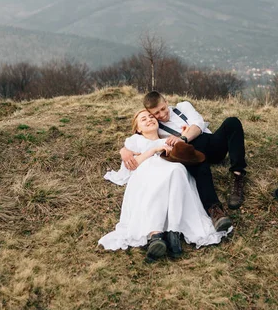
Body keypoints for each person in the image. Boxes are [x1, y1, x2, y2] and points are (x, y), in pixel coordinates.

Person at [99, 109, 231, 261]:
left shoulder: (168, 138)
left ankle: (173, 232)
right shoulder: (135, 141)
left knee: (177, 171)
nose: (149, 119)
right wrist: (154, 149)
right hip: (147, 170)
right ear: (138, 128)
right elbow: (133, 165)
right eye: (143, 119)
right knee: (155, 179)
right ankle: (156, 235)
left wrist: (182, 137)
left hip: (171, 168)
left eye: (151, 116)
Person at [121, 91, 247, 231]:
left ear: (166, 102)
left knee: (232, 122)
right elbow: (138, 139)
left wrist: (183, 137)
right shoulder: (155, 127)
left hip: (211, 145)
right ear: (150, 113)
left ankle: (238, 175)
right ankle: (215, 211)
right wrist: (124, 151)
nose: (162, 115)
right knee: (196, 162)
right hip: (193, 154)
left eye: (163, 109)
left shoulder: (183, 107)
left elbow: (198, 124)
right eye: (156, 113)